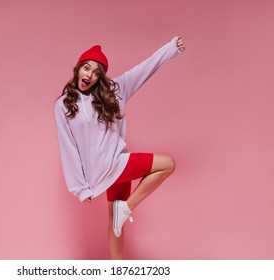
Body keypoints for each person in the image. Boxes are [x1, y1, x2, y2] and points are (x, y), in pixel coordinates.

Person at [55, 36, 185, 259]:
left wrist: (171, 48)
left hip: (117, 165)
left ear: (100, 78)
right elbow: (68, 147)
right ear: (78, 69)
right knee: (167, 164)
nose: (90, 75)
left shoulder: (115, 91)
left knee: (117, 225)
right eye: (87, 68)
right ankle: (124, 209)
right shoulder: (64, 105)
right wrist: (80, 188)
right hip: (106, 167)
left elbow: (145, 69)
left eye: (96, 73)